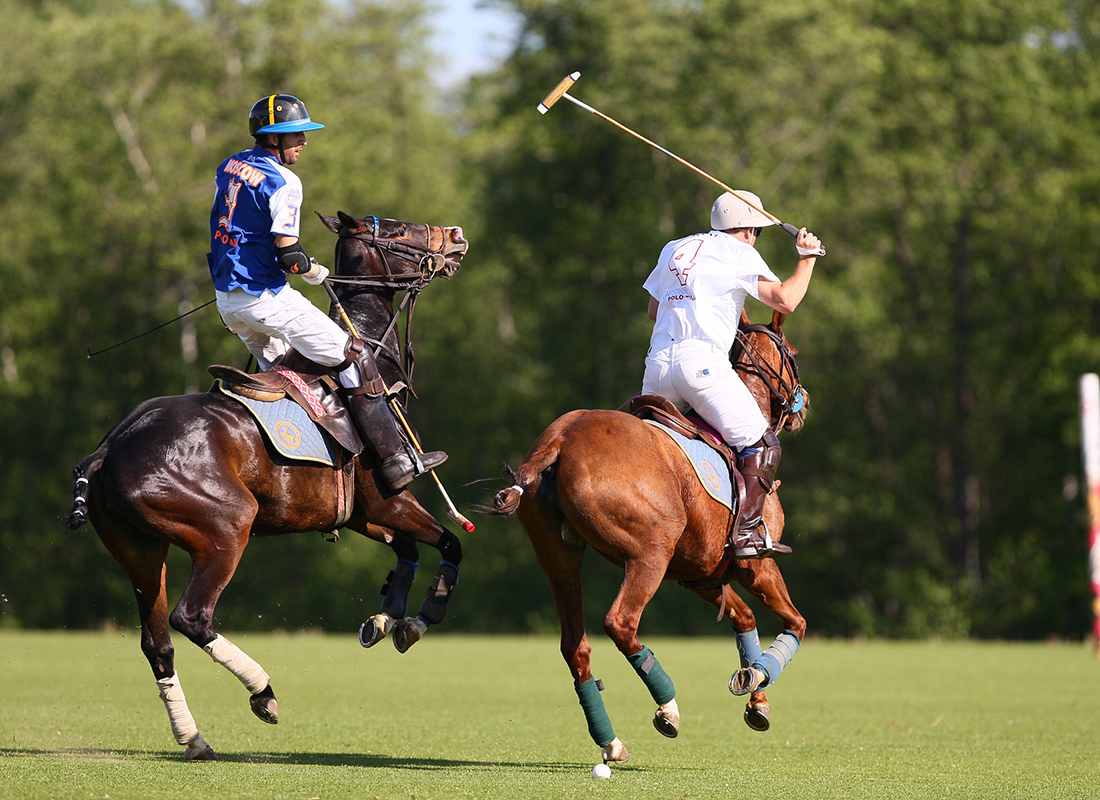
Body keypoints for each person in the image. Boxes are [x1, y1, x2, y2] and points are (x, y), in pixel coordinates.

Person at [208, 93, 446, 492]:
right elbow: (291, 256)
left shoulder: (231, 164)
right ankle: (394, 460)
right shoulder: (285, 181)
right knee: (355, 354)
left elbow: (242, 226)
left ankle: (301, 468)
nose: (303, 141)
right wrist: (314, 270)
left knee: (286, 375)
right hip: (266, 299)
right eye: (295, 134)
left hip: (228, 302)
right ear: (273, 138)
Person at [641, 191, 821, 559]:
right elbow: (785, 300)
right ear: (750, 230)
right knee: (762, 444)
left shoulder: (674, 248)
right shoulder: (740, 252)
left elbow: (653, 310)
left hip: (657, 369)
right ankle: (746, 535)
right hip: (701, 366)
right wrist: (807, 258)